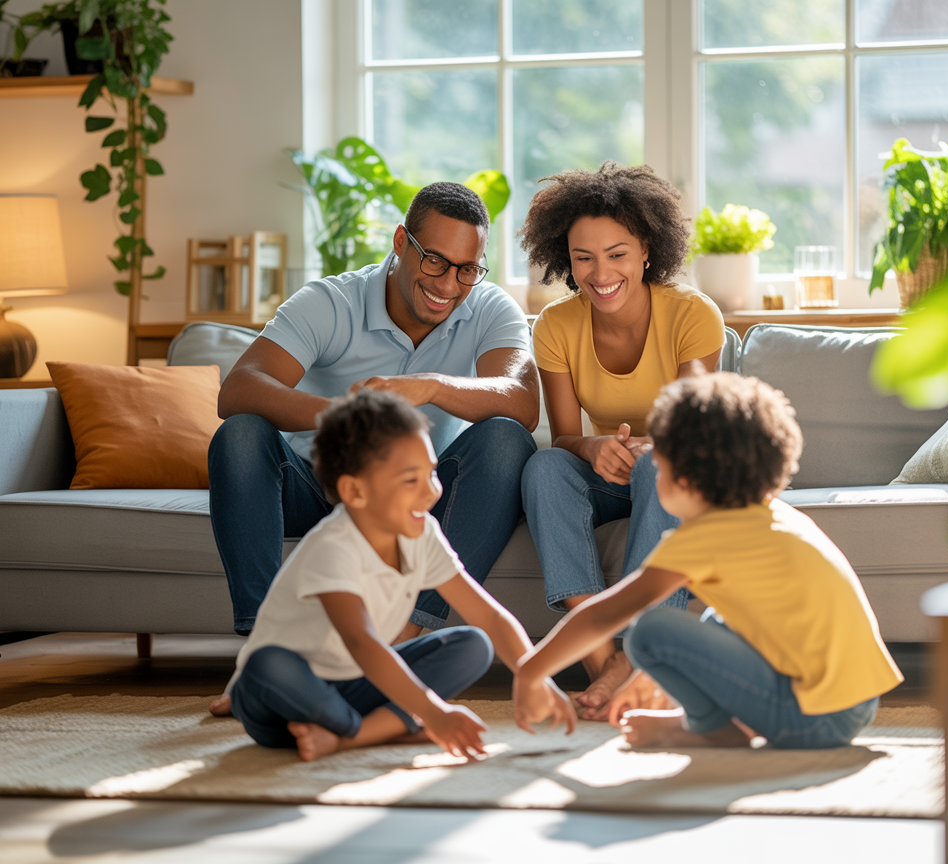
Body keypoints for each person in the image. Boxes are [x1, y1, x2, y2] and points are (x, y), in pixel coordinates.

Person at [208, 182, 537, 642]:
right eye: (436, 261)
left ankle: (408, 634)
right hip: (319, 490)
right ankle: (266, 649)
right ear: (401, 242)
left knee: (506, 437)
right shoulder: (330, 302)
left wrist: (432, 386)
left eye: (466, 270)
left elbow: (521, 400)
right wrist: (345, 418)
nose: (447, 285)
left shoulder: (490, 308)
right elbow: (238, 389)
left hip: (420, 501)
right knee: (240, 433)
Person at [513, 373, 904, 749]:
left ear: (683, 480)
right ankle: (715, 728)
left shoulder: (705, 536)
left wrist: (530, 673)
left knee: (650, 629)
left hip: (812, 718)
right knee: (719, 619)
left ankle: (711, 727)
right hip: (855, 706)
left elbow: (604, 615)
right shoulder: (775, 516)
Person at [227, 389, 574, 761]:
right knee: (268, 665)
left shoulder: (422, 532)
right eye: (411, 480)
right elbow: (363, 644)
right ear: (355, 491)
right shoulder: (333, 546)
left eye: (432, 474)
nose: (431, 493)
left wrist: (534, 673)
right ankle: (373, 729)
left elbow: (487, 614)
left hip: (356, 686)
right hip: (288, 699)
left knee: (472, 644)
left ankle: (350, 736)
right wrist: (432, 711)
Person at [517, 162, 725, 720]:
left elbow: (692, 430)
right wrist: (592, 448)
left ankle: (636, 656)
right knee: (542, 469)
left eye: (617, 254)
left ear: (647, 251)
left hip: (678, 473)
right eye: (583, 257)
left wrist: (647, 451)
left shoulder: (693, 314)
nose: (600, 272)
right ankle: (603, 660)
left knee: (659, 463)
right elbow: (563, 436)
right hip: (610, 472)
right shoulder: (555, 326)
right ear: (566, 259)